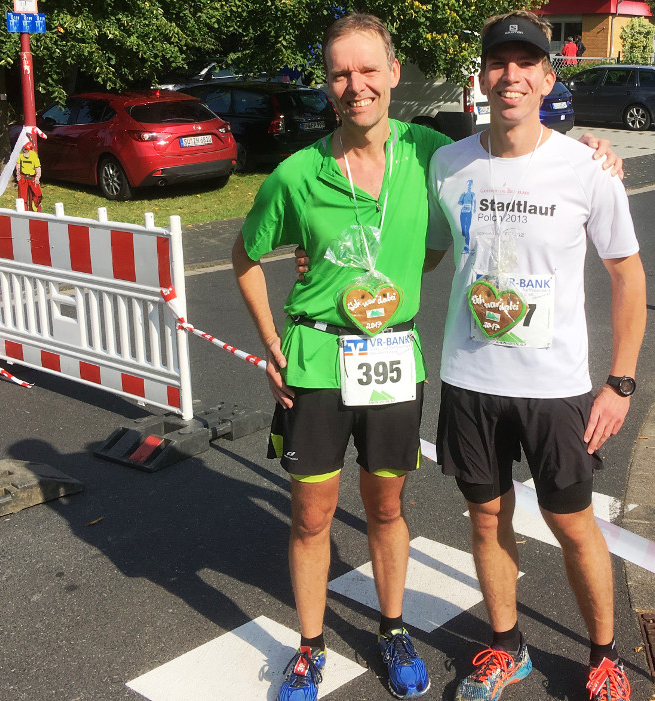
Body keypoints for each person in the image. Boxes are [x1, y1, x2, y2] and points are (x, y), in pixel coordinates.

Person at [254, 13, 620, 701]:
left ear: (394, 75)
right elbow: (260, 252)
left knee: (425, 509)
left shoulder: (454, 152)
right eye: (340, 73)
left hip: (479, 372)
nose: (355, 85)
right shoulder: (366, 164)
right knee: (357, 515)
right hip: (389, 369)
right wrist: (286, 326)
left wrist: (597, 147)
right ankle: (334, 648)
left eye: (369, 70)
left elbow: (614, 259)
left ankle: (589, 654)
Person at [425, 11, 645, 701]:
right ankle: (506, 646)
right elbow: (425, 253)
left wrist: (620, 383)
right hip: (469, 378)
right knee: (486, 517)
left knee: (572, 522)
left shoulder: (587, 167)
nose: (511, 75)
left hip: (556, 387)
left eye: (528, 64)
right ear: (483, 76)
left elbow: (628, 275)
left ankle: (604, 654)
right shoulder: (447, 163)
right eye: (499, 63)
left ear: (549, 78)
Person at [15, 141, 43, 212]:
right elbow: (18, 165)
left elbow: (38, 167)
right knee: (22, 197)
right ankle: (23, 211)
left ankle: (35, 207)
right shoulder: (20, 154)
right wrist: (18, 174)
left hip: (32, 177)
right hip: (23, 177)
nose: (24, 151)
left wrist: (37, 177)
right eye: (24, 149)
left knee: (38, 194)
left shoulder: (33, 155)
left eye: (26, 149)